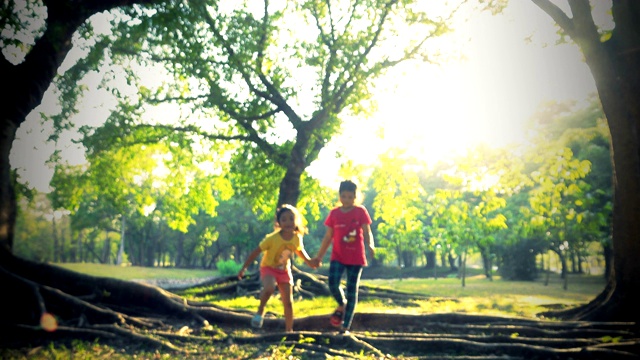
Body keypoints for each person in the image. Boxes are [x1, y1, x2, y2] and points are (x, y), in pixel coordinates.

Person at [237, 204, 316, 333]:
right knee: (269, 288)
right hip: (269, 268)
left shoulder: (297, 238)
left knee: (288, 302)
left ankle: (289, 331)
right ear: (279, 223)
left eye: (291, 218)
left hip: (284, 271)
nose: (288, 222)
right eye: (284, 219)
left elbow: (299, 251)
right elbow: (256, 252)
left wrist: (309, 262)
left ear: (296, 220)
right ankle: (261, 309)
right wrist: (243, 268)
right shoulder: (272, 238)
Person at [311, 180, 375, 334]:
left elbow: (367, 231)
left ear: (356, 197)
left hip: (356, 257)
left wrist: (370, 245)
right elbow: (328, 237)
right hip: (337, 256)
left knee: (352, 290)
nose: (347, 200)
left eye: (350, 197)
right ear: (339, 196)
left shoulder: (360, 211)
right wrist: (319, 257)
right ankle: (342, 303)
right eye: (344, 196)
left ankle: (345, 326)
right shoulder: (334, 213)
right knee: (333, 283)